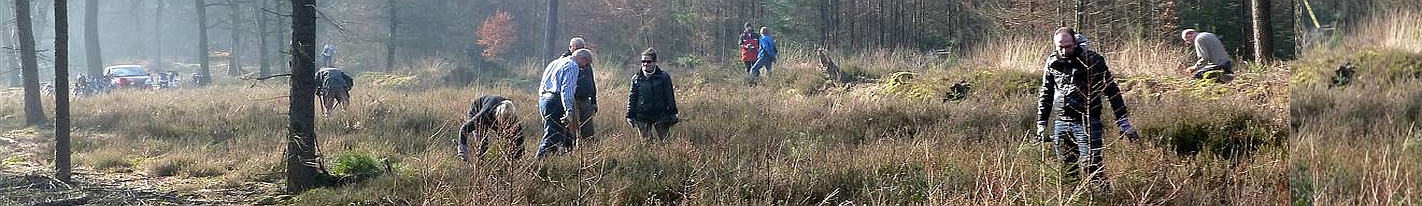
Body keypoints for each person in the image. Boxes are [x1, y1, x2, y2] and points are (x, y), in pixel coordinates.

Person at [1035, 27, 1139, 191]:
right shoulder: (1052, 61)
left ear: (1076, 43)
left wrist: (1123, 122)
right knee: (1067, 170)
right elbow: (1046, 92)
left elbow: (1112, 91)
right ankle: (1074, 199)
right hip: (1061, 122)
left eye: (1068, 46)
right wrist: (1041, 123)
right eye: (1060, 47)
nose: (1064, 51)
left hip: (1087, 121)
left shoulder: (1093, 61)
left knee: (1092, 166)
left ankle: (1106, 198)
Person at [535, 49, 593, 158]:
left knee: (563, 135)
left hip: (544, 99)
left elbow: (542, 85)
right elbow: (567, 90)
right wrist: (568, 110)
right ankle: (539, 162)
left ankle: (560, 160)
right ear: (583, 59)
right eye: (586, 64)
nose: (584, 67)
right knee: (552, 136)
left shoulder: (555, 62)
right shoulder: (573, 66)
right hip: (556, 101)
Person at [626, 48, 680, 141]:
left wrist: (672, 113)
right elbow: (632, 97)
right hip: (642, 116)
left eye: (648, 61)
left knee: (666, 142)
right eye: (643, 61)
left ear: (654, 62)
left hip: (660, 115)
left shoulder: (664, 77)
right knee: (646, 144)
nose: (645, 64)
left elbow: (669, 96)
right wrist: (630, 115)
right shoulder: (636, 78)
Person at [453, 95, 525, 161]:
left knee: (507, 139)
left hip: (494, 113)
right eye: (503, 122)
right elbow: (464, 129)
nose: (505, 125)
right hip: (477, 109)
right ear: (497, 117)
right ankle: (480, 164)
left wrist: (519, 158)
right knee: (483, 144)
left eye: (507, 123)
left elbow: (520, 139)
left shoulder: (512, 117)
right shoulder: (484, 115)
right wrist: (463, 148)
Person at [556, 37, 600, 142]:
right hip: (571, 100)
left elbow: (591, 81)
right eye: (578, 48)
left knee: (588, 129)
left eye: (583, 48)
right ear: (571, 47)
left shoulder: (585, 60)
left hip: (585, 100)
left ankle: (588, 148)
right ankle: (572, 148)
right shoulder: (565, 62)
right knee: (571, 128)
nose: (581, 50)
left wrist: (594, 101)